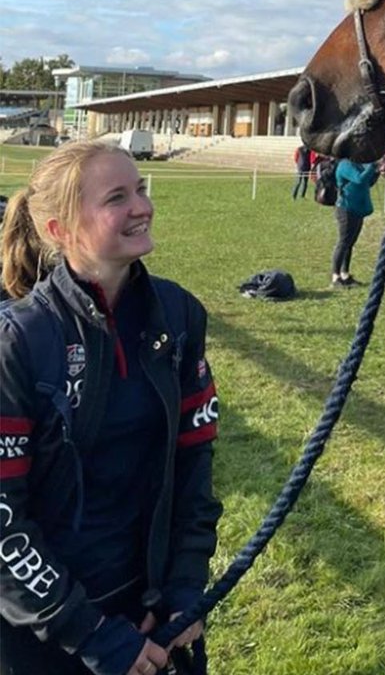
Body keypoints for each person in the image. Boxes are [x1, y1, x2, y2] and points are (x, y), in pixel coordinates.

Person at [0, 141, 221, 675]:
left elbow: (194, 467)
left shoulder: (180, 315)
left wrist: (185, 587)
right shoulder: (18, 341)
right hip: (49, 632)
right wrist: (93, 634)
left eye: (141, 189)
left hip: (156, 618)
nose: (141, 205)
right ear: (59, 231)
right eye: (117, 197)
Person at [331, 158, 379, 287]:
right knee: (343, 242)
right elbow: (359, 179)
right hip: (346, 208)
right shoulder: (345, 165)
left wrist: (376, 172)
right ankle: (335, 277)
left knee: (350, 243)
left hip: (357, 209)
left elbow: (366, 182)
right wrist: (371, 166)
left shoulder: (357, 164)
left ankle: (345, 274)